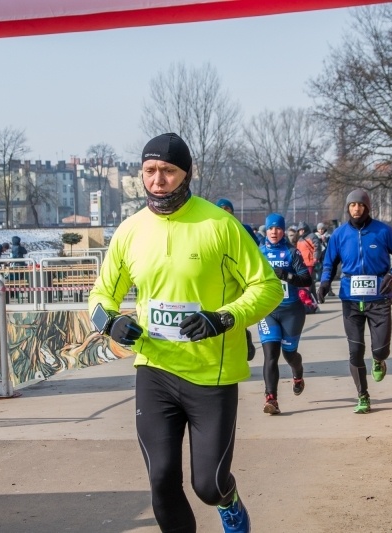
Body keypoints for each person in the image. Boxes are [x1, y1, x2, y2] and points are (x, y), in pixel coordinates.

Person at [89, 133, 283, 533]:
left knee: (208, 485)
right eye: (149, 170)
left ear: (186, 173)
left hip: (211, 374)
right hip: (155, 369)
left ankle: (228, 502)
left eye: (167, 171)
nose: (157, 180)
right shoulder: (129, 231)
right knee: (161, 479)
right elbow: (99, 296)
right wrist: (111, 321)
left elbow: (268, 287)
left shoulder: (219, 225)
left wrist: (224, 318)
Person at [317, 189, 392, 414]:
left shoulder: (383, 231)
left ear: (367, 207)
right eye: (352, 205)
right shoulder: (339, 235)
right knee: (355, 351)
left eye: (360, 205)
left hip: (379, 298)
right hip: (350, 299)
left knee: (380, 348)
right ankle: (363, 396)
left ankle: (379, 360)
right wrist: (325, 282)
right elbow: (329, 262)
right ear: (347, 208)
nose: (356, 209)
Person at [257, 213, 313, 415]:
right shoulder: (259, 252)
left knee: (289, 355)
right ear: (266, 230)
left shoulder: (291, 252)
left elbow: (306, 280)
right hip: (268, 311)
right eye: (271, 228)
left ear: (283, 230)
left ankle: (298, 374)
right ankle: (271, 398)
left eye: (278, 228)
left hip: (291, 311)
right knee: (271, 354)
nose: (274, 232)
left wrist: (287, 275)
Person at [215, 198, 259, 361]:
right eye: (221, 209)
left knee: (237, 309)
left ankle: (243, 335)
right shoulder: (211, 230)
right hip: (219, 277)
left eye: (227, 209)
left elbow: (256, 251)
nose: (224, 212)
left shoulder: (243, 228)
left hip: (240, 276)